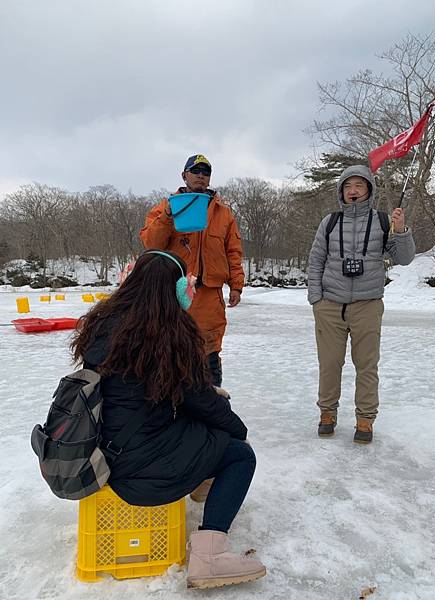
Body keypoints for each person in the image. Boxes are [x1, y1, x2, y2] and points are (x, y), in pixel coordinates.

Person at [71, 249, 265, 590]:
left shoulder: (101, 323)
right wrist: (240, 430)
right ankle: (208, 556)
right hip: (144, 469)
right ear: (175, 290)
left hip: (103, 456)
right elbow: (202, 401)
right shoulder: (172, 334)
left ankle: (202, 482)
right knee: (238, 454)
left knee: (201, 430)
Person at [307, 165, 416, 443]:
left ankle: (365, 419)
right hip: (330, 305)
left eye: (359, 185)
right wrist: (316, 299)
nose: (353, 191)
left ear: (369, 190)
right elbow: (316, 261)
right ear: (341, 192)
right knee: (329, 363)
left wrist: (401, 231)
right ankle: (327, 413)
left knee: (367, 365)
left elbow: (403, 258)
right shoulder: (329, 222)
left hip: (367, 305)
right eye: (347, 186)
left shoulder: (382, 221)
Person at [140, 154, 244, 388]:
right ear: (184, 175)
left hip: (209, 295)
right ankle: (170, 410)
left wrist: (236, 284)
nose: (200, 176)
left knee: (209, 353)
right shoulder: (165, 207)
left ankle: (213, 404)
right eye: (195, 171)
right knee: (170, 349)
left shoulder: (223, 213)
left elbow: (233, 251)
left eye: (205, 172)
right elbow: (151, 243)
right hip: (173, 295)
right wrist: (169, 214)